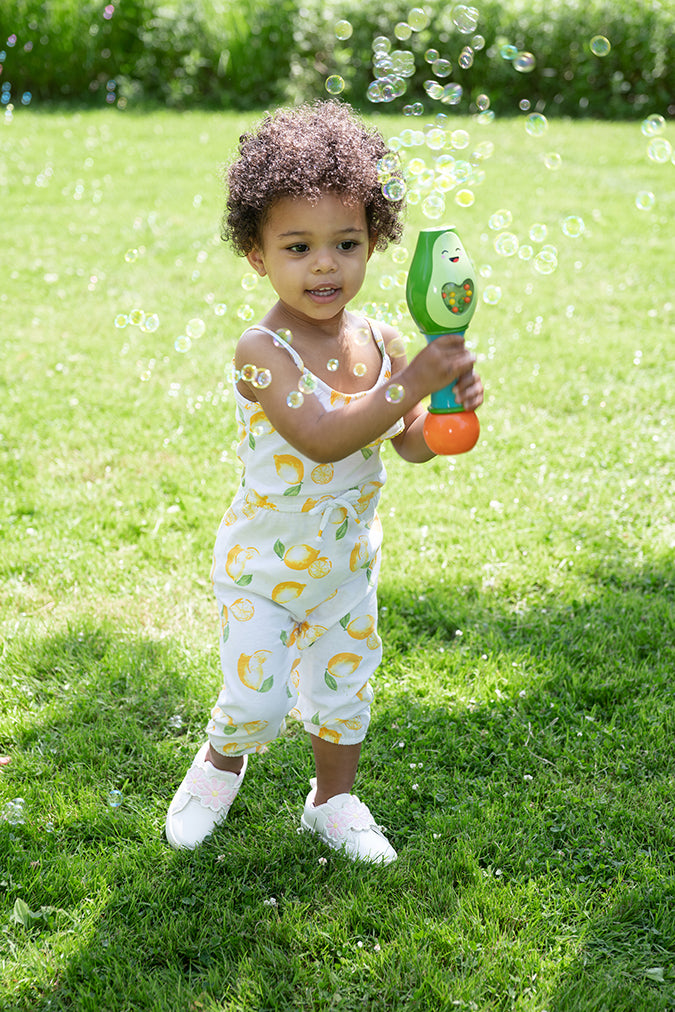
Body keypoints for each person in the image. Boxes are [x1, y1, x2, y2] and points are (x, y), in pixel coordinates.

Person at [165, 100, 483, 863]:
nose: (324, 266)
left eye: (345, 243)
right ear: (256, 254)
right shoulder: (260, 349)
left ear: (375, 241)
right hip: (263, 571)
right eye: (298, 246)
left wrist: (443, 411)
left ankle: (332, 802)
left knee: (344, 696)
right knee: (254, 697)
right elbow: (319, 436)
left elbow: (402, 445)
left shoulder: (378, 339)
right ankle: (216, 769)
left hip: (345, 569)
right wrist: (412, 387)